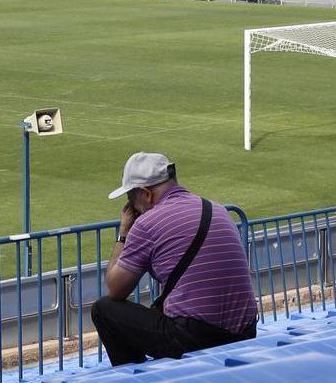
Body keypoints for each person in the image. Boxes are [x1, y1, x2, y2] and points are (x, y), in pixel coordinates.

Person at [92, 152, 257, 365]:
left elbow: (115, 289)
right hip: (244, 331)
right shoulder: (217, 209)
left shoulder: (146, 224)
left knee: (104, 310)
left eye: (131, 199)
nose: (130, 207)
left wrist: (124, 233)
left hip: (197, 336)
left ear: (146, 194)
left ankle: (134, 377)